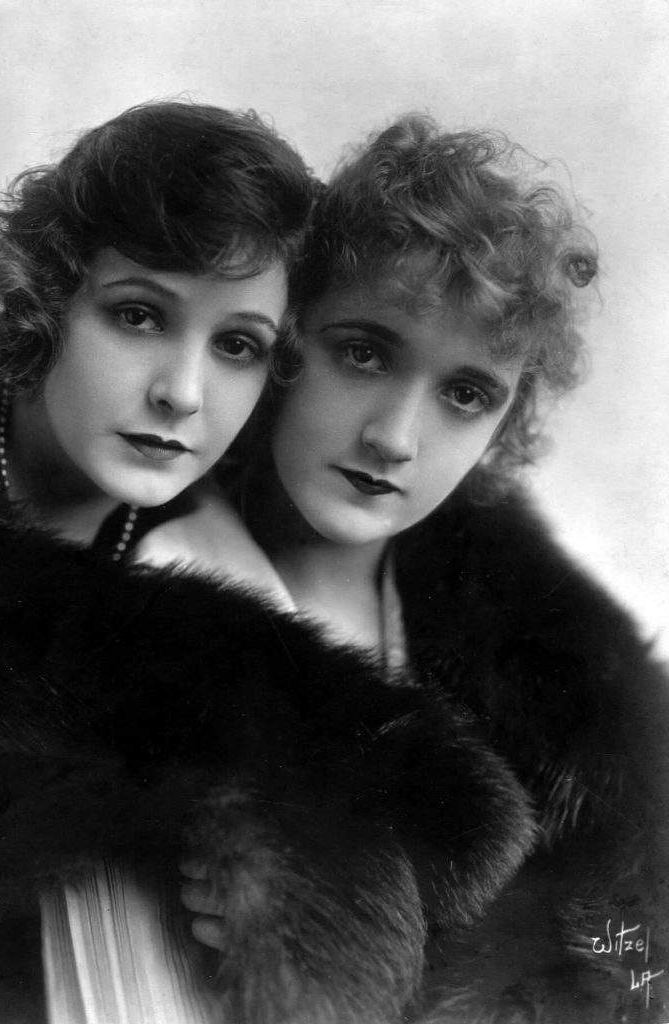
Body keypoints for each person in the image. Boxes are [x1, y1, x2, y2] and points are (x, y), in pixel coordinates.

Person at [0, 103, 534, 1024]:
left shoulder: (215, 548)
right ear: (44, 299)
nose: (182, 393)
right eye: (139, 315)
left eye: (237, 346)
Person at [147, 115, 669, 1023]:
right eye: (364, 352)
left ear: (502, 427)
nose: (394, 437)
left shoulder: (507, 660)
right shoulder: (154, 578)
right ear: (285, 340)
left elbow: (633, 968)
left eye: (465, 394)